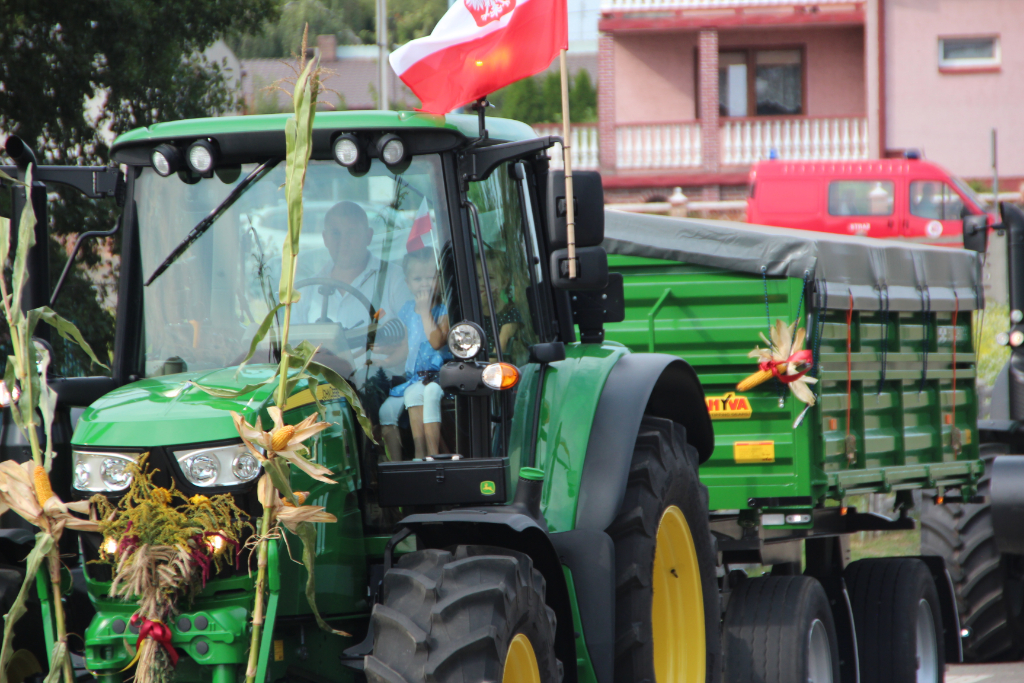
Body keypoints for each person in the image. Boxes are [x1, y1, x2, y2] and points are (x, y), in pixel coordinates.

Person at [294, 201, 411, 386]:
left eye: (352, 233)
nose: (344, 242)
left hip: (379, 390)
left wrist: (397, 347)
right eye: (336, 234)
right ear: (325, 238)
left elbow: (415, 336)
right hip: (318, 391)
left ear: (369, 236)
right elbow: (290, 346)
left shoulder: (395, 280)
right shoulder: (306, 290)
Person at [379, 249, 450, 460]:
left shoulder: (444, 310)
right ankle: (396, 462)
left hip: (438, 376)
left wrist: (425, 311)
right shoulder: (408, 310)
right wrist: (380, 361)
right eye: (417, 279)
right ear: (408, 283)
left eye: (430, 278)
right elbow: (406, 348)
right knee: (386, 412)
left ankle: (428, 454)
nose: (424, 284)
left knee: (420, 395)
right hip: (414, 379)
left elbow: (437, 341)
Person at [479, 250, 523, 359]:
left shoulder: (510, 314)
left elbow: (498, 352)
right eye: (478, 277)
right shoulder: (471, 313)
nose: (482, 283)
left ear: (504, 282)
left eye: (490, 278)